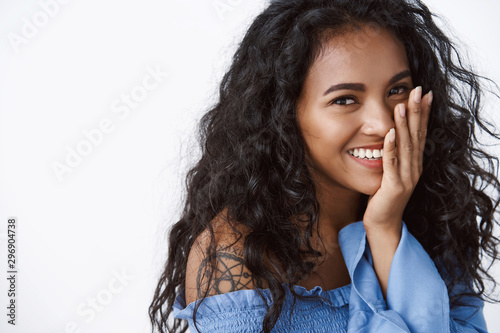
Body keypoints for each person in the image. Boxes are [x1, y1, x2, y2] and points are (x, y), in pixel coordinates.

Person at [149, 0, 500, 332]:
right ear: (284, 115)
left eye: (397, 90)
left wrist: (386, 230)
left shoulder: (436, 218)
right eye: (345, 99)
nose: (382, 123)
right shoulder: (235, 257)